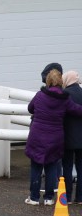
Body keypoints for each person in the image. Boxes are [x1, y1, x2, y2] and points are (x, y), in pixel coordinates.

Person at [25, 68, 82, 205]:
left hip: (37, 135)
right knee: (51, 166)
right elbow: (77, 110)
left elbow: (30, 108)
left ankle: (33, 198)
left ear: (48, 81)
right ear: (61, 81)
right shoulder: (65, 99)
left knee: (36, 166)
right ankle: (49, 198)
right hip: (55, 137)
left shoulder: (40, 95)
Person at [62, 70, 82, 204]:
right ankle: (80, 198)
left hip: (67, 137)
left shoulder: (64, 95)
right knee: (81, 167)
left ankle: (67, 197)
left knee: (67, 167)